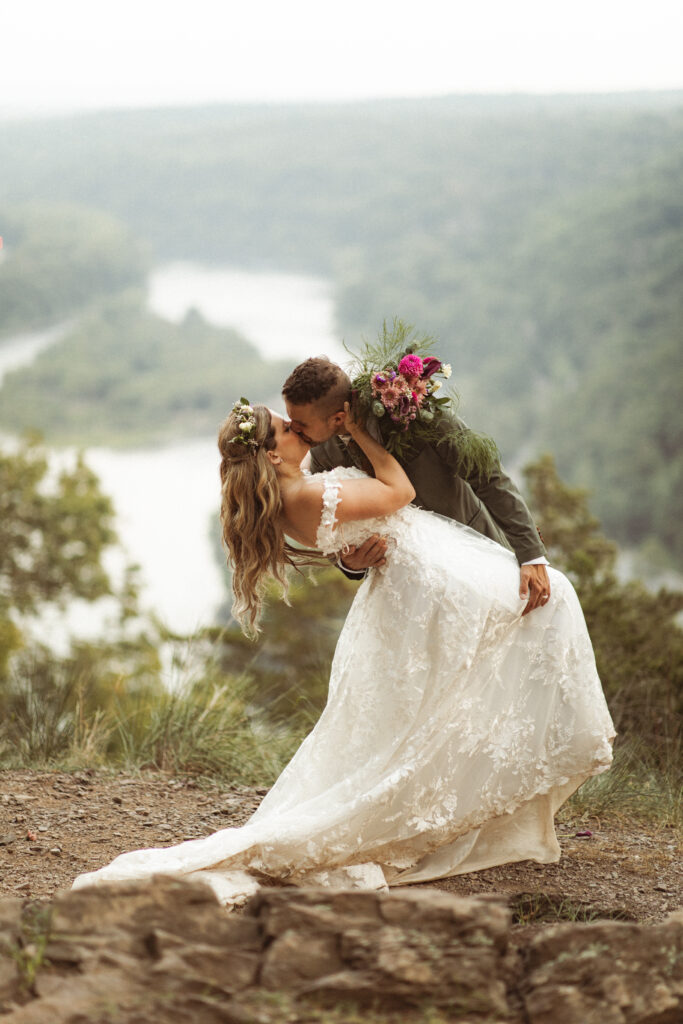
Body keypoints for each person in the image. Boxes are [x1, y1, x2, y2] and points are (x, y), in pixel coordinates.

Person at [72, 400, 615, 907]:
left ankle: (483, 797)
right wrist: (359, 432)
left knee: (434, 704)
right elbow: (398, 493)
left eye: (296, 422)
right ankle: (462, 799)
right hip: (428, 581)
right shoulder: (305, 491)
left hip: (419, 578)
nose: (297, 431)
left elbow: (346, 538)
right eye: (286, 429)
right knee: (538, 614)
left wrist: (354, 552)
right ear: (269, 452)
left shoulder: (296, 489)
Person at [283, 356, 551, 615]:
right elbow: (331, 525)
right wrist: (349, 563)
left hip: (475, 556)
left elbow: (488, 476)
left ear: (338, 418)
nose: (293, 429)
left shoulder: (415, 411)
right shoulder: (322, 455)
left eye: (301, 424)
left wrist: (530, 555)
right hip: (409, 594)